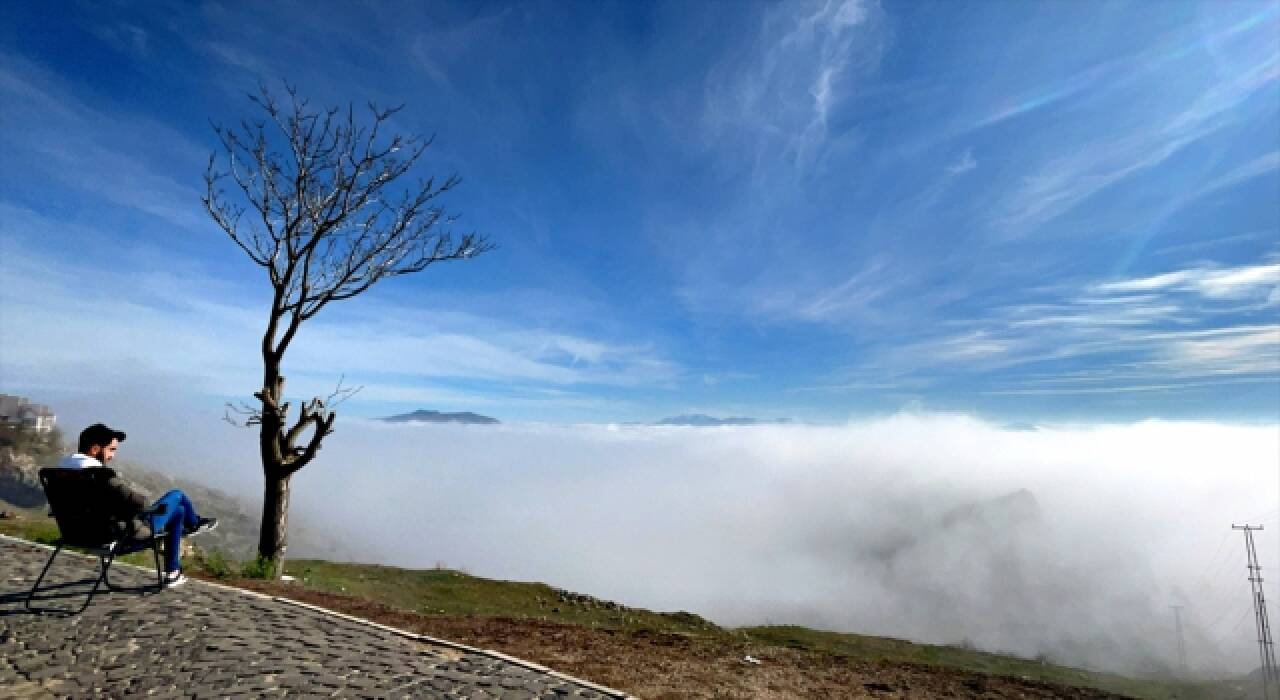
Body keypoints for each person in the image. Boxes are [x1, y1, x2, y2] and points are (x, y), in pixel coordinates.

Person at [59, 423, 217, 587]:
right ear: (95, 449)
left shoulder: (61, 470)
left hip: (77, 534)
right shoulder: (99, 475)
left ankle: (174, 571)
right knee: (177, 497)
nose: (112, 456)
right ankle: (193, 526)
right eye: (111, 450)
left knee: (178, 511)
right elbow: (138, 503)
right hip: (121, 537)